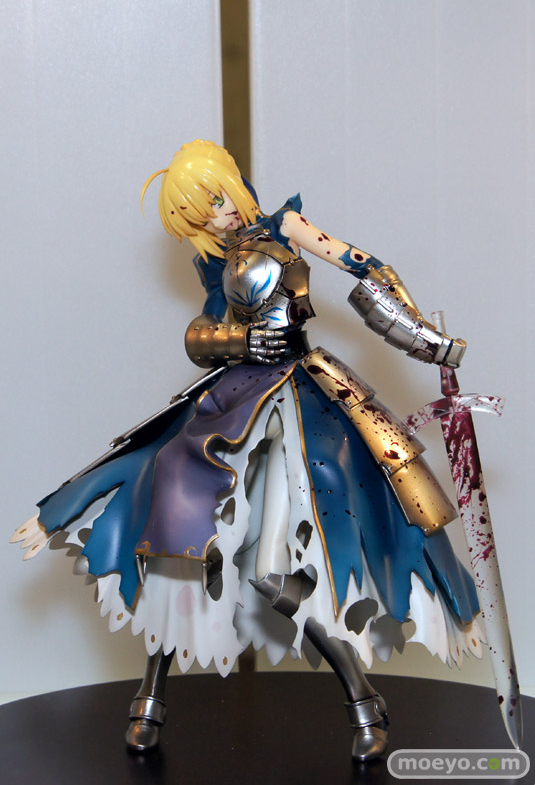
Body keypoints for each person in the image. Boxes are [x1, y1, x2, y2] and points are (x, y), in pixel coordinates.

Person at [11, 140, 483, 761]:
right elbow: (201, 335)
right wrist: (237, 340)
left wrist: (423, 338)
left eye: (217, 198)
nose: (217, 214)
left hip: (302, 400)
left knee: (279, 565)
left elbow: (363, 267)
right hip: (233, 400)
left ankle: (362, 697)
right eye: (198, 211)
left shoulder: (284, 226)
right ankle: (151, 697)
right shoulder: (214, 262)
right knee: (175, 533)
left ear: (233, 184)